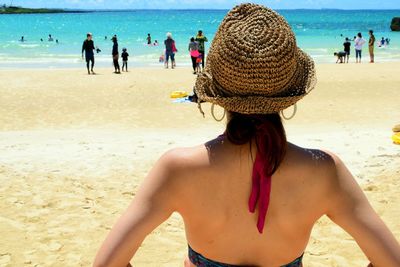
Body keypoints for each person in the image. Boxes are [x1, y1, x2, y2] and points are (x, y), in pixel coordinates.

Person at [93, 4, 400, 267]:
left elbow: (107, 263)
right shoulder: (323, 170)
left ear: (216, 92)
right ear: (289, 93)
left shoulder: (178, 168)